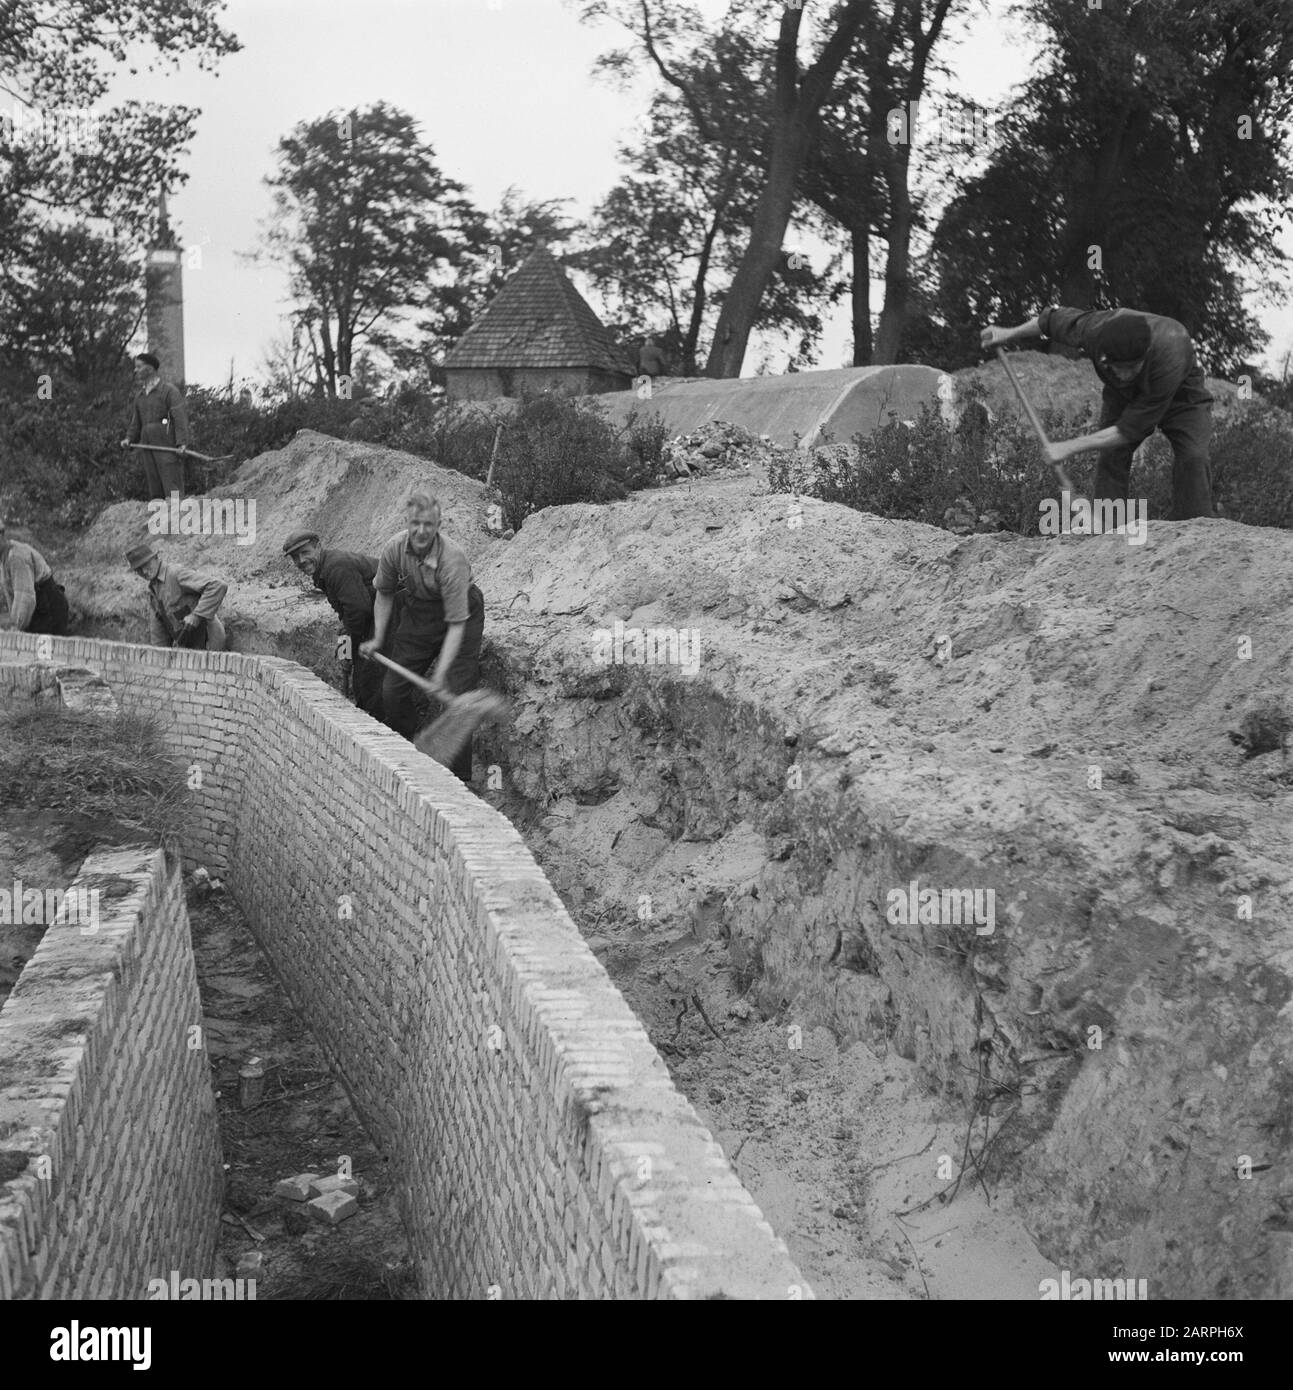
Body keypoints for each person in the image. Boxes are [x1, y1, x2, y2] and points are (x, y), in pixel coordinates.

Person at [980, 307, 1215, 519]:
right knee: (1111, 454)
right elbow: (1048, 321)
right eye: (1118, 368)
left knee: (1194, 456)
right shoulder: (1093, 329)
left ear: (1146, 355)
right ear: (1104, 356)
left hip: (1182, 398)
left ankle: (1193, 527)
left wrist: (1067, 447)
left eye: (1133, 368)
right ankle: (1109, 526)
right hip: (1122, 395)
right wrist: (1007, 333)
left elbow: (1129, 430)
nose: (1126, 374)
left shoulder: (1171, 350)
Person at [359, 493, 484, 783]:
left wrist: (440, 674)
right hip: (421, 611)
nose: (421, 531)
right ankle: (406, 756)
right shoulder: (394, 548)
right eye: (415, 523)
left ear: (438, 524)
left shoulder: (452, 559)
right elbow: (385, 593)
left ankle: (459, 779)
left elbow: (455, 624)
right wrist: (378, 638)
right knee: (392, 690)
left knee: (458, 697)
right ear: (407, 522)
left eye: (429, 524)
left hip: (462, 613)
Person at [282, 529, 384, 716]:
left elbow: (359, 610)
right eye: (295, 557)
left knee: (369, 679)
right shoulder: (323, 571)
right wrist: (345, 645)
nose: (301, 561)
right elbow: (347, 612)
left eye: (305, 553)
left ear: (318, 547)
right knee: (362, 677)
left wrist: (351, 647)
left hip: (390, 610)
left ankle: (385, 725)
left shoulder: (335, 566)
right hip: (371, 615)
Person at [125, 542, 228, 650]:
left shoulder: (175, 574)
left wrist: (196, 616)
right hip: (189, 649)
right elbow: (159, 639)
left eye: (146, 565)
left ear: (155, 558)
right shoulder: (154, 595)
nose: (144, 571)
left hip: (210, 643)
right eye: (139, 570)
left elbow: (217, 586)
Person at [122, 352, 191, 501]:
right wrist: (128, 438)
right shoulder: (140, 396)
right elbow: (136, 423)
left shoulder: (168, 391)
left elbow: (180, 419)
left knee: (171, 480)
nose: (136, 371)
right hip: (147, 445)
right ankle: (160, 518)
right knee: (154, 484)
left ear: (150, 368)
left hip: (166, 443)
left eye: (139, 367)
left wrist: (182, 443)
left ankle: (179, 518)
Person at [0, 520, 69, 635]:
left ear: (1, 536)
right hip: (39, 609)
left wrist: (16, 629)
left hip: (49, 608)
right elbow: (13, 597)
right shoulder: (4, 558)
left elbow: (25, 597)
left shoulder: (16, 556)